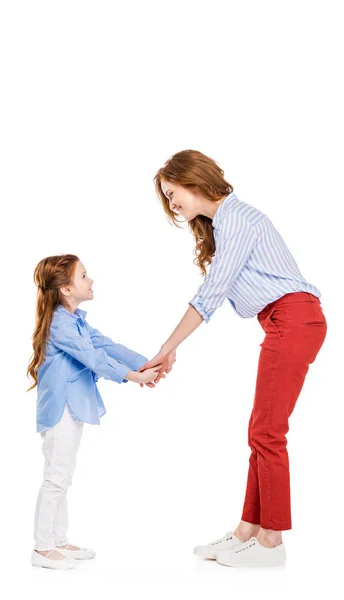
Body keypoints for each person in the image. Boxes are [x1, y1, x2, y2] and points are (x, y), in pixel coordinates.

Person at [138, 149, 327, 568]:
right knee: (261, 430)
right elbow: (214, 292)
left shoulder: (237, 219)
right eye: (166, 198)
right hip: (286, 320)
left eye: (173, 193)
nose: (172, 204)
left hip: (294, 318)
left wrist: (166, 350)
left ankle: (270, 544)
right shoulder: (225, 224)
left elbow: (211, 295)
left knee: (268, 433)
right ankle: (248, 531)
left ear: (194, 180)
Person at [27, 253, 162, 570]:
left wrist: (149, 361)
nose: (91, 280)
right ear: (66, 289)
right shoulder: (60, 324)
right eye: (84, 276)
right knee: (56, 477)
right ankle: (43, 547)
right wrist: (134, 377)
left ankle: (57, 540)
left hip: (71, 406)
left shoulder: (76, 321)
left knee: (64, 475)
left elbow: (107, 347)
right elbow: (92, 358)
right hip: (60, 408)